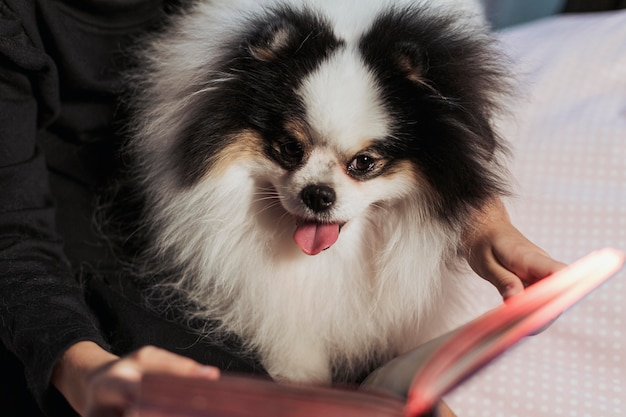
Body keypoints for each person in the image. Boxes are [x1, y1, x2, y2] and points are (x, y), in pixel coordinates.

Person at [0, 1, 565, 416]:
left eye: (362, 164)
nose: (321, 187)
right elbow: (14, 240)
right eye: (292, 150)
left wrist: (486, 227)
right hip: (63, 238)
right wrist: (82, 369)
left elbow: (437, 132)